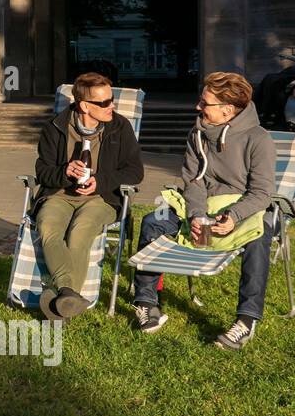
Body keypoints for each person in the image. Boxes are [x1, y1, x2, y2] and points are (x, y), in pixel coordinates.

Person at [131, 72, 276, 350]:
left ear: (227, 110)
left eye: (204, 102)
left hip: (241, 210)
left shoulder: (259, 139)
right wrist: (197, 215)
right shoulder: (197, 133)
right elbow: (194, 180)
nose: (198, 107)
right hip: (203, 207)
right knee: (154, 221)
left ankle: (246, 321)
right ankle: (147, 303)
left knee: (259, 238)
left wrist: (232, 217)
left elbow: (261, 193)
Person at [31, 72, 144, 320]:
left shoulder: (119, 127)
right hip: (59, 195)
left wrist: (100, 181)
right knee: (48, 227)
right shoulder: (55, 128)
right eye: (104, 103)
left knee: (81, 230)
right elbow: (42, 171)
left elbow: (135, 171)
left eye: (111, 99)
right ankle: (68, 296)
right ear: (84, 105)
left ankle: (60, 295)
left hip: (101, 198)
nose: (111, 106)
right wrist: (64, 172)